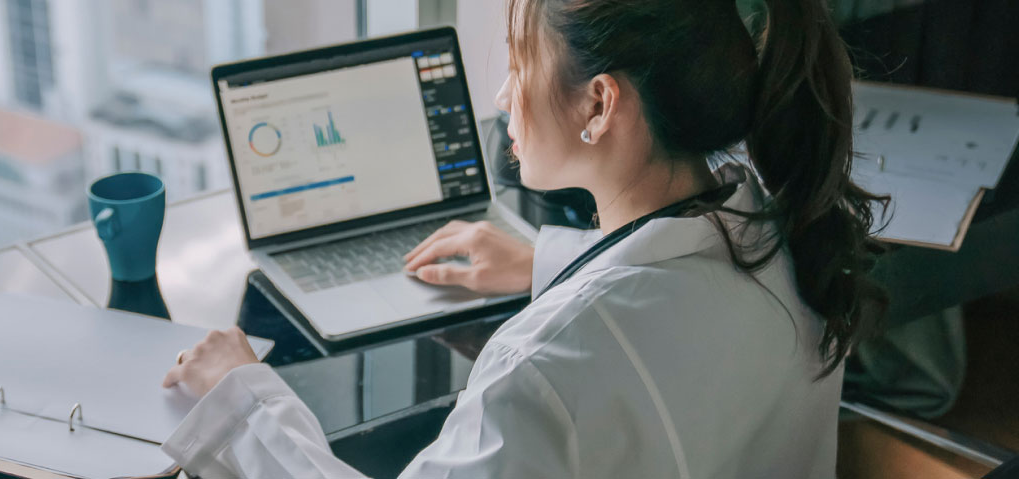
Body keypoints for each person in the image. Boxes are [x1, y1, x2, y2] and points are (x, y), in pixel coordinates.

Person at [159, 0, 888, 476]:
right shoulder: (782, 230)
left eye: (518, 63)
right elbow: (669, 294)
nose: (505, 95)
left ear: (600, 104)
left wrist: (242, 397)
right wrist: (543, 260)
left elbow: (614, 334)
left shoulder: (539, 368)